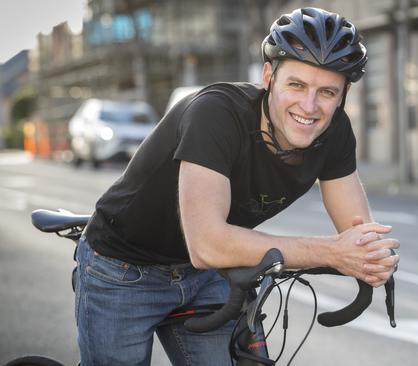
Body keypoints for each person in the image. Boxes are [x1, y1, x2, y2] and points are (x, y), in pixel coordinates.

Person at [75, 7, 400, 365]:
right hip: (122, 268)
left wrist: (371, 259)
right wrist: (334, 253)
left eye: (327, 92)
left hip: (207, 277)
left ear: (342, 96)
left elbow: (359, 235)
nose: (309, 105)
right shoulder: (216, 114)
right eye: (296, 84)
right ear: (268, 76)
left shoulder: (334, 131)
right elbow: (209, 245)